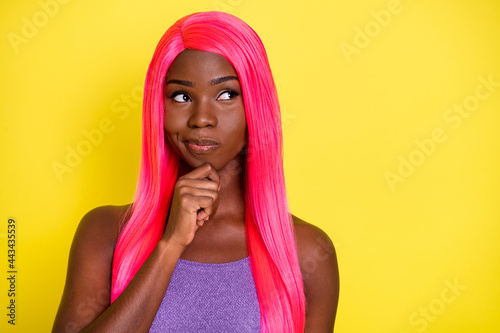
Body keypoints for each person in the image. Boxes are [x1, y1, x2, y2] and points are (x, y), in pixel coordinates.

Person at [53, 11, 339, 333]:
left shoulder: (306, 250)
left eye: (227, 94)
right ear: (158, 108)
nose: (201, 118)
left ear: (256, 106)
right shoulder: (106, 233)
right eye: (182, 96)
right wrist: (170, 244)